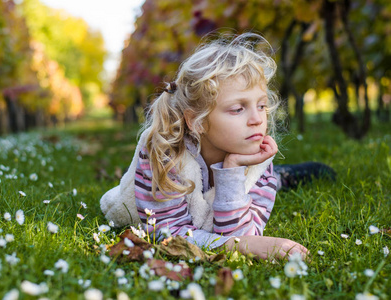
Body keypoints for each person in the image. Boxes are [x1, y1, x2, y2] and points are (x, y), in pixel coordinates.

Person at [100, 33, 335, 260]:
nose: (257, 119)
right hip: (149, 194)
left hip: (228, 177)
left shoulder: (259, 164)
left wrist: (232, 169)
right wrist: (241, 246)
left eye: (261, 106)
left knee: (268, 180)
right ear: (197, 121)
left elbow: (244, 236)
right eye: (238, 109)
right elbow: (168, 234)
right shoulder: (163, 154)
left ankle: (282, 177)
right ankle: (284, 177)